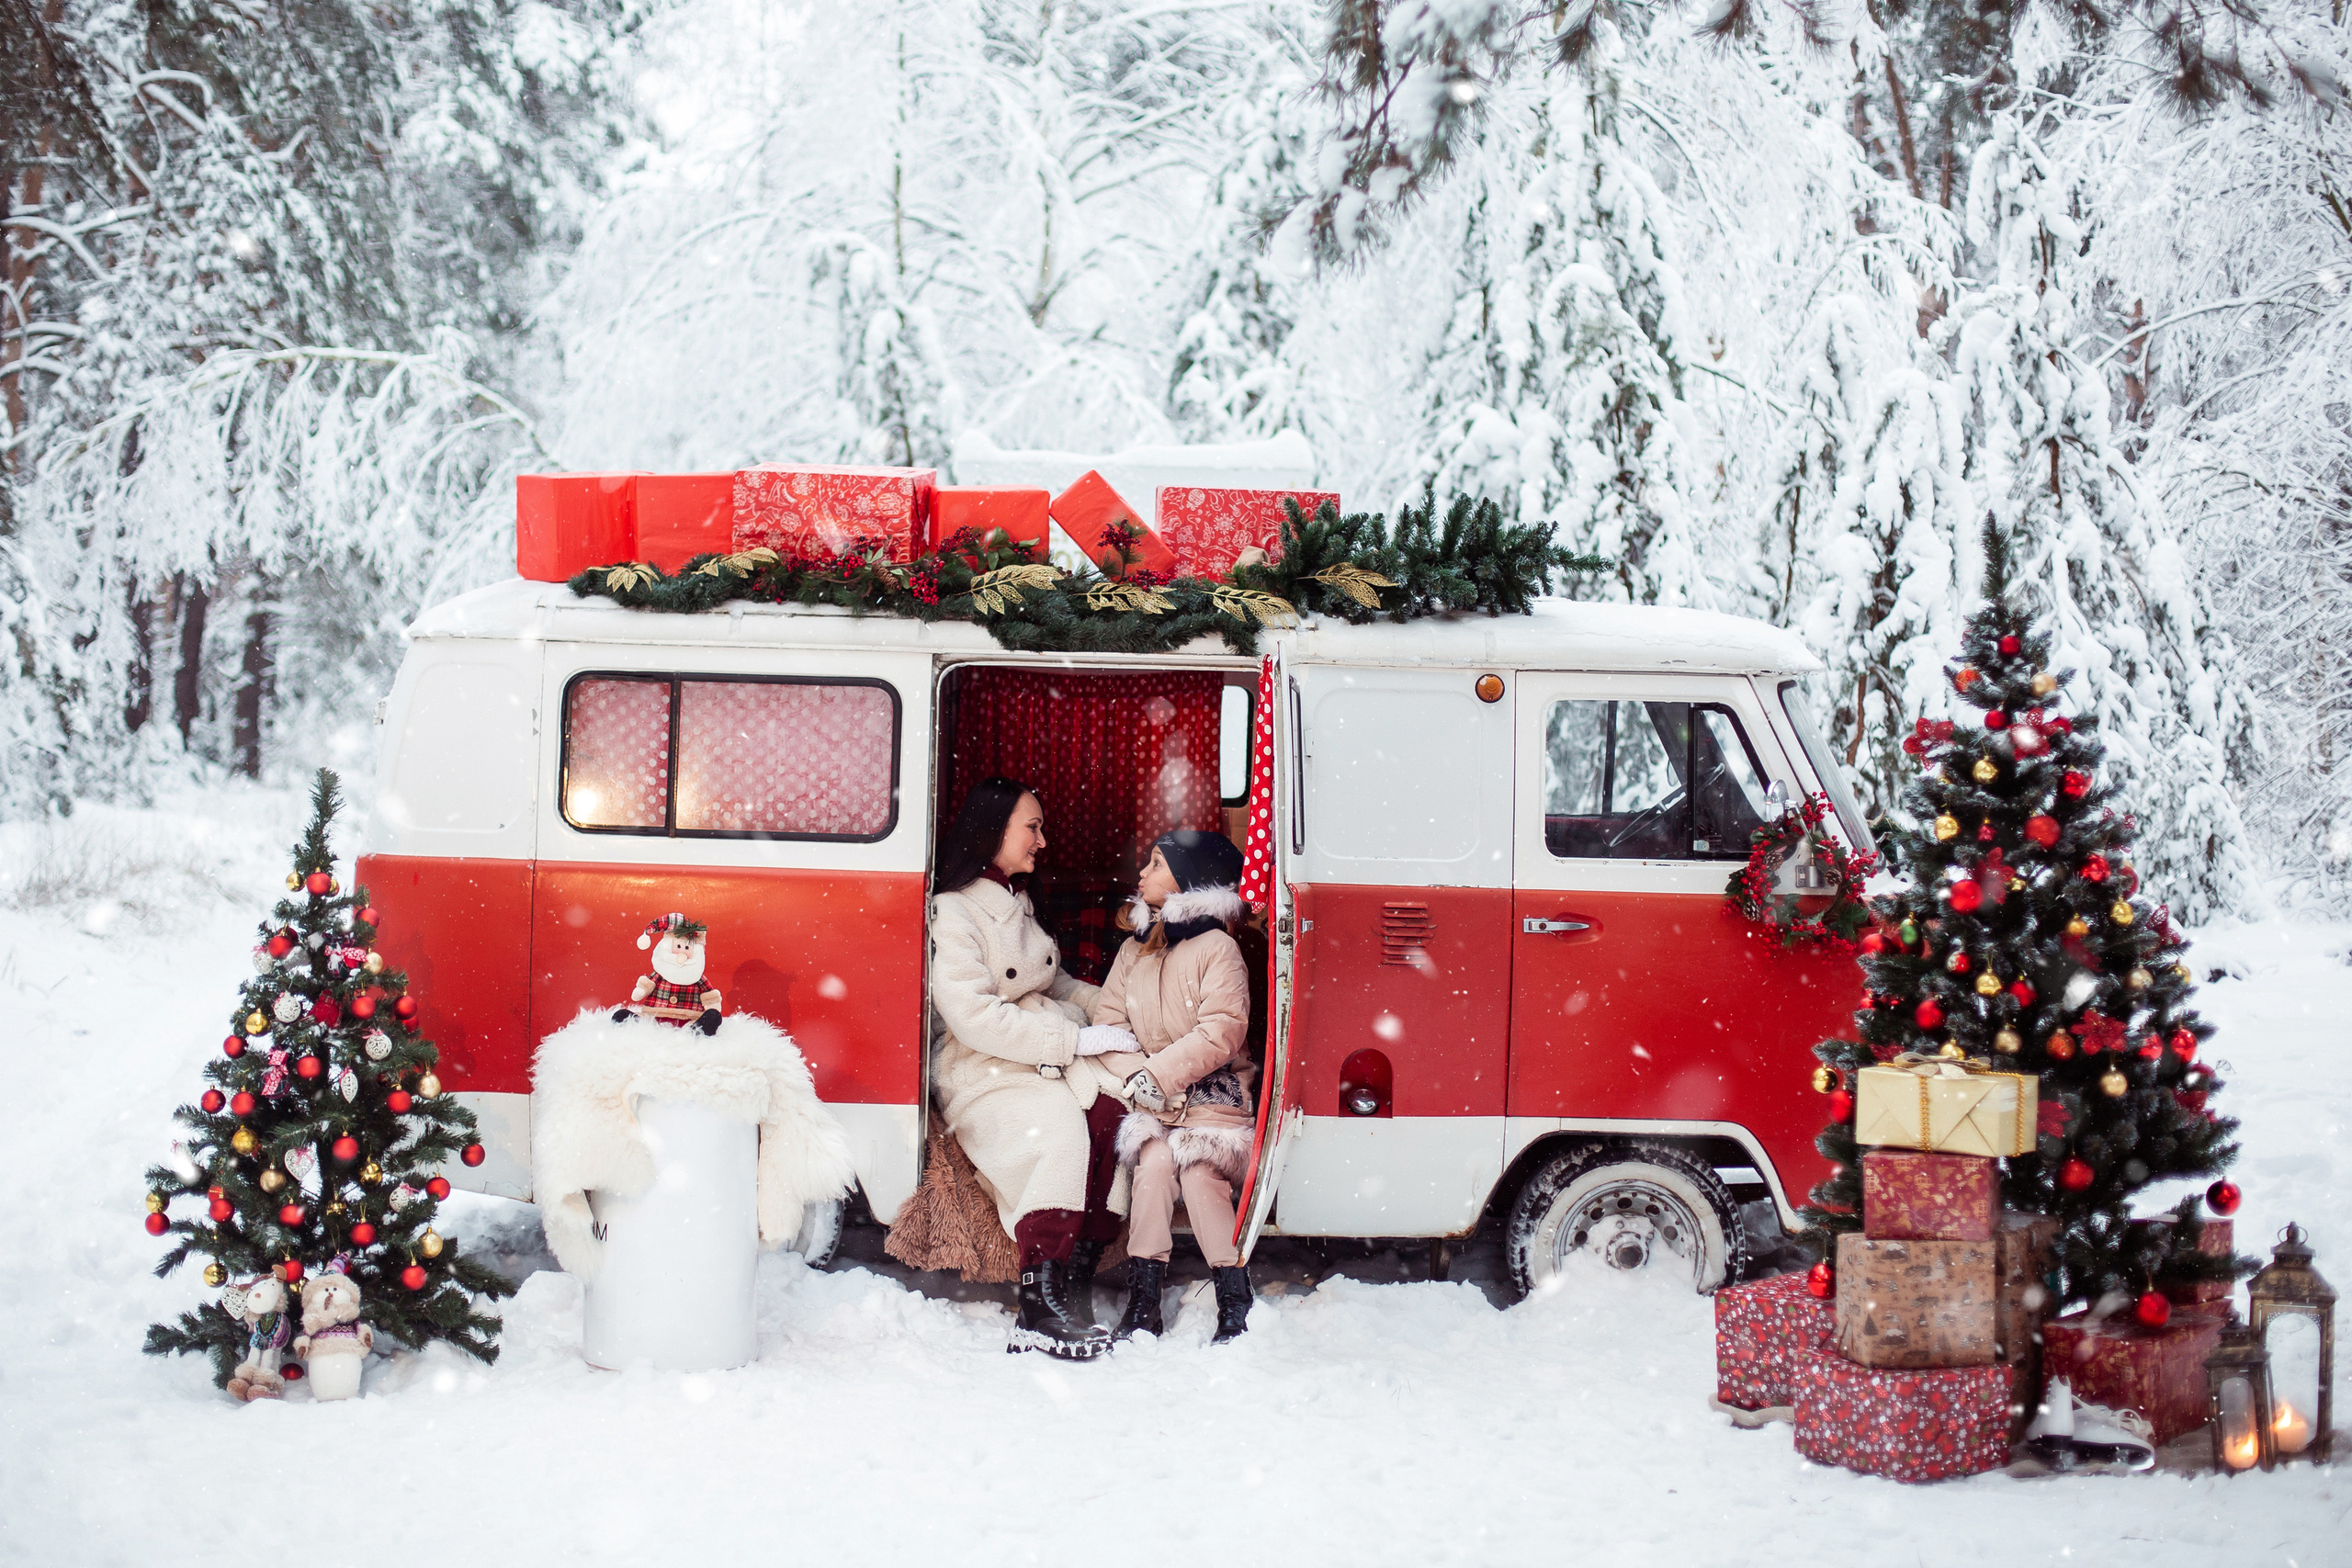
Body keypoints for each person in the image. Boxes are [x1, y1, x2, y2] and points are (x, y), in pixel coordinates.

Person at [928, 777, 1139, 1359]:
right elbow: (973, 1017)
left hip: (1038, 1051)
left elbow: (1053, 980)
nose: (1042, 840)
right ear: (994, 830)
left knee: (1113, 1117)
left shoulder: (1018, 898)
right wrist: (1073, 1038)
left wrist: (1120, 1010)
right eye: (1033, 826)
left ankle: (1074, 1278)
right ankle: (1038, 1305)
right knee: (1057, 1133)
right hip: (983, 1064)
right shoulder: (954, 910)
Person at [1095, 829, 1258, 1343]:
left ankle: (1233, 1291)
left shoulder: (1218, 949)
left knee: (1198, 1168)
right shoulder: (1134, 952)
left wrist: (1158, 1072)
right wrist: (1137, 1076)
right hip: (1155, 1096)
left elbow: (1222, 1031)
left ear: (1189, 878)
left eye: (1156, 864)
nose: (1142, 874)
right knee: (1155, 1163)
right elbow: (1110, 1024)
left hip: (1215, 1091)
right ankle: (1145, 1299)